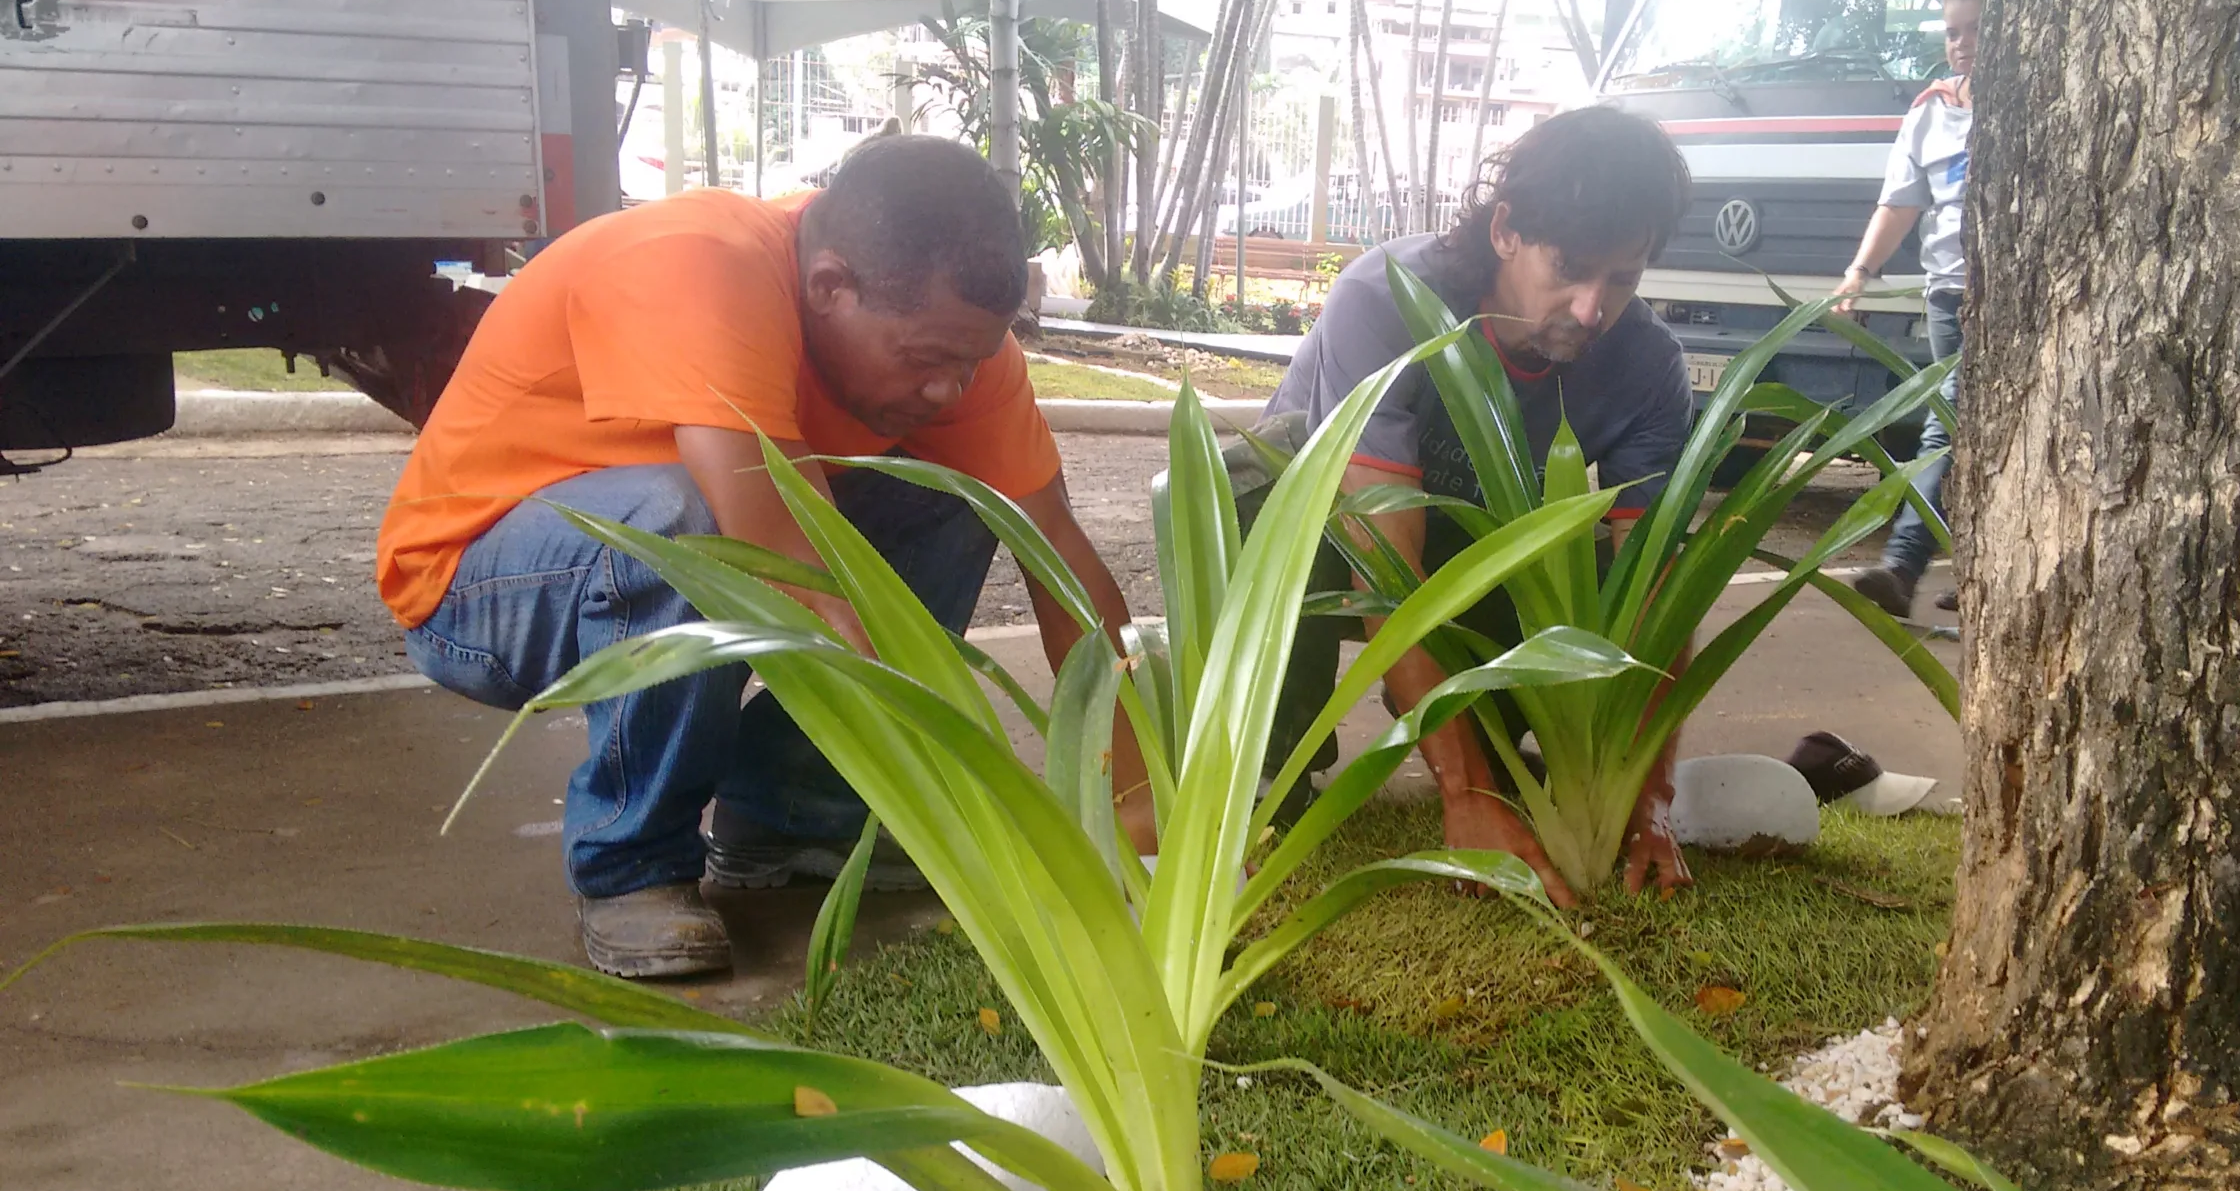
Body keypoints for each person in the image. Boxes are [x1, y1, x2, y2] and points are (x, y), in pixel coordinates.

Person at [375, 135, 1145, 979]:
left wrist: (1139, 813)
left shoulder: (959, 349)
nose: (948, 391)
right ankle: (631, 864)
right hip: (480, 583)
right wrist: (958, 788)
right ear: (829, 286)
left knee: (961, 496)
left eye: (969, 363)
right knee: (687, 525)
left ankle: (797, 812)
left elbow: (1058, 559)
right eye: (925, 361)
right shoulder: (701, 263)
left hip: (688, 534)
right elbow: (789, 564)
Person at [1250, 106, 1697, 905]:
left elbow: (1654, 588)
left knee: (1591, 563)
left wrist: (1649, 797)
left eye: (1622, 279)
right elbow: (1378, 561)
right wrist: (1467, 796)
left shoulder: (1646, 366)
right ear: (1505, 232)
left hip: (1482, 550)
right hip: (1327, 542)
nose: (1593, 309)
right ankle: (1269, 754)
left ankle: (1490, 734)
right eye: (1571, 268)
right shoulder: (1386, 301)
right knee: (1252, 491)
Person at [1837, 0, 1981, 619]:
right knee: (1951, 426)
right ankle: (1913, 567)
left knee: (1982, 428)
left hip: (2023, 300)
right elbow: (1901, 203)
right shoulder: (1931, 111)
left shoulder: (2037, 103)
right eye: (1952, 32)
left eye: (1974, 29)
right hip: (1952, 296)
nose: (1961, 44)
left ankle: (1915, 564)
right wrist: (1860, 271)